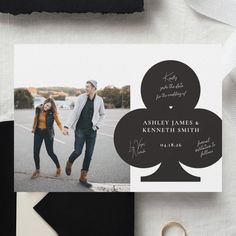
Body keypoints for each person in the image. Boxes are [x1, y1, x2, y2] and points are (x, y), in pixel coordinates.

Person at [63, 80, 105, 188]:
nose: (86, 88)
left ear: (94, 88)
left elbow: (102, 114)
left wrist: (97, 126)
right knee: (77, 151)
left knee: (89, 154)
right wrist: (66, 126)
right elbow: (75, 112)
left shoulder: (99, 100)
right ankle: (69, 162)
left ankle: (83, 177)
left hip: (92, 131)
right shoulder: (81, 98)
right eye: (86, 86)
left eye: (88, 87)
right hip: (80, 130)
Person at [31, 98, 63, 179]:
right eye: (47, 105)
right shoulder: (38, 109)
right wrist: (33, 128)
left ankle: (58, 168)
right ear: (45, 103)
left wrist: (62, 129)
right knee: (35, 152)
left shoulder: (53, 113)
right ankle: (37, 170)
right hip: (38, 132)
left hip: (48, 133)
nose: (47, 107)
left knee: (50, 152)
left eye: (49, 107)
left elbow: (58, 122)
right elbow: (35, 118)